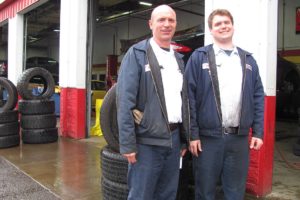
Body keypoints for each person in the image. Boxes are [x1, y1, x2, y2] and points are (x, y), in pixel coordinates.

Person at [185, 9, 264, 200]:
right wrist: (192, 135)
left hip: (238, 139)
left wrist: (258, 132)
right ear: (211, 30)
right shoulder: (199, 57)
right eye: (218, 24)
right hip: (208, 139)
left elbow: (258, 96)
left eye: (226, 22)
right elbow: (189, 98)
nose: (223, 26)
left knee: (236, 192)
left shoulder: (248, 60)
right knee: (205, 191)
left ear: (233, 26)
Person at [116, 4, 189, 200]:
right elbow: (124, 102)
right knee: (141, 195)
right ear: (150, 24)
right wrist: (128, 144)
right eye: (161, 20)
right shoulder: (137, 54)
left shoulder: (179, 59)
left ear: (176, 25)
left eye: (171, 20)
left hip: (173, 141)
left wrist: (183, 138)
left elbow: (182, 102)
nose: (166, 24)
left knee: (167, 194)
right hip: (146, 143)